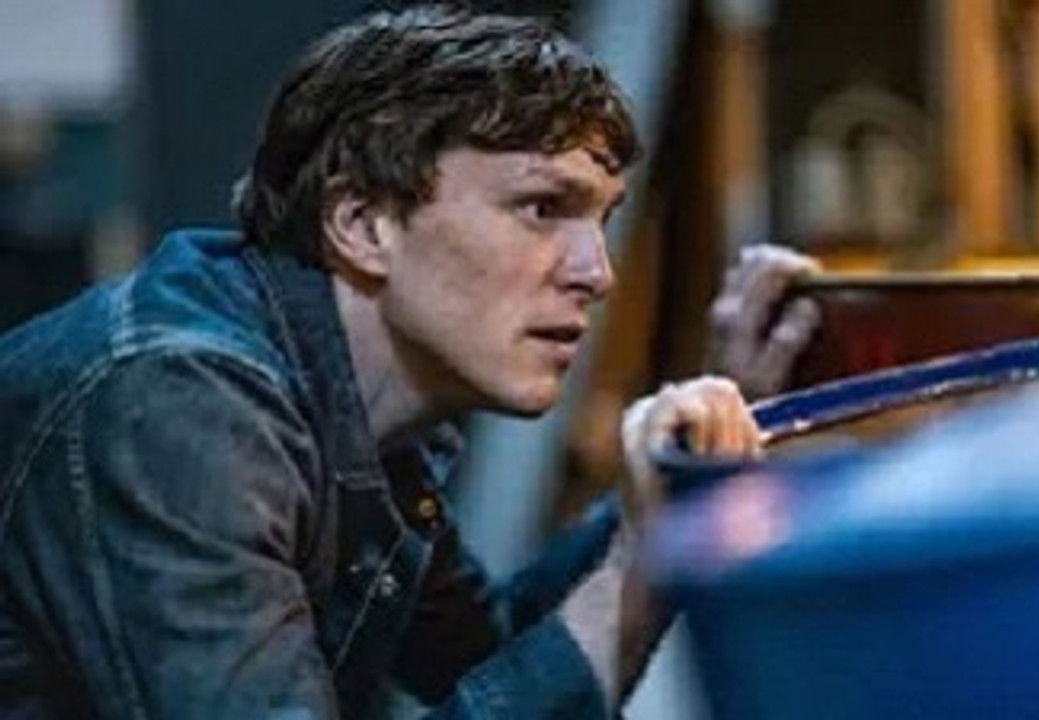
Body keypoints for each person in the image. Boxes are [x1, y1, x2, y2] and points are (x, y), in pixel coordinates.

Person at [0, 6, 819, 719]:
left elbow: (494, 657)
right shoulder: (177, 403)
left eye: (601, 220)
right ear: (362, 224)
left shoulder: (364, 410)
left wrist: (686, 472)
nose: (596, 272)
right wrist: (639, 570)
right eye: (543, 207)